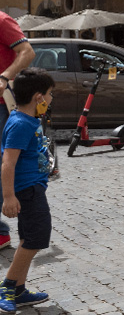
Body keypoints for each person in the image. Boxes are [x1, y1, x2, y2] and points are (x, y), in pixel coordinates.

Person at [0, 67, 54, 312]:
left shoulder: (28, 119)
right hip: (27, 189)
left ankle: (19, 290)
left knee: (29, 237)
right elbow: (8, 162)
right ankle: (8, 287)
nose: (51, 99)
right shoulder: (21, 123)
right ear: (38, 97)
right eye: (50, 94)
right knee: (35, 238)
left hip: (34, 186)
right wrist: (9, 196)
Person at [0, 13, 35, 251]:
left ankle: (2, 232)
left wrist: (4, 76)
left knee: (5, 161)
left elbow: (28, 52)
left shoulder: (1, 20)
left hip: (1, 106)